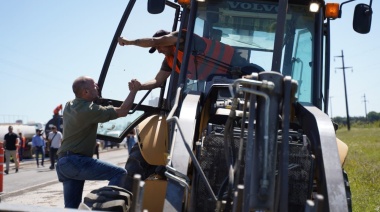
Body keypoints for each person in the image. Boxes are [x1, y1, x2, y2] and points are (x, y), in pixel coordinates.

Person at [56, 76, 141, 209]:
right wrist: (134, 91)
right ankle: (104, 207)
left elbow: (91, 102)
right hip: (75, 161)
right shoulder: (89, 110)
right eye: (95, 86)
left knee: (72, 208)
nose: (98, 86)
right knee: (120, 173)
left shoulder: (69, 105)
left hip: (63, 163)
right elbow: (123, 111)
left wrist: (96, 97)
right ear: (85, 92)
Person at [118, 29, 249, 90]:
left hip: (240, 67)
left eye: (158, 47)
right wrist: (140, 86)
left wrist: (129, 42)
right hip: (220, 83)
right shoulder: (169, 61)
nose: (158, 51)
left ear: (166, 41)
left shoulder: (182, 37)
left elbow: (155, 40)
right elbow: (157, 81)